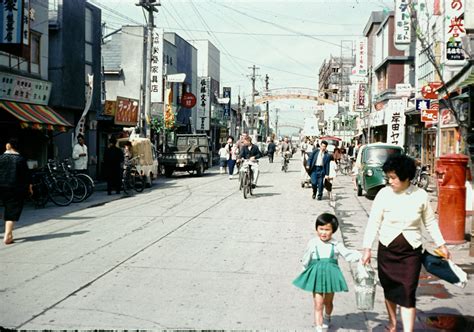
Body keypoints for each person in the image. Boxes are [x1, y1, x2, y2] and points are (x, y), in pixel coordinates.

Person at [361, 154, 450, 332]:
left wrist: (441, 244)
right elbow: (374, 223)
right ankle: (393, 322)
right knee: (390, 288)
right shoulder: (383, 194)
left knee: (408, 291)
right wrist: (367, 248)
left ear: (406, 176)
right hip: (387, 250)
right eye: (388, 177)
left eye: (394, 178)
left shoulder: (421, 196)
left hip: (411, 253)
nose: (390, 181)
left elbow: (430, 223)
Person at [293, 213, 361, 331]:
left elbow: (347, 254)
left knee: (328, 303)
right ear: (316, 229)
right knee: (318, 304)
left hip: (331, 276)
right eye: (321, 229)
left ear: (333, 230)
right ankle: (319, 328)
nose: (323, 232)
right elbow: (306, 258)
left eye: (327, 229)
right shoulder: (312, 243)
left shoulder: (336, 245)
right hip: (316, 276)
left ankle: (327, 316)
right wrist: (304, 272)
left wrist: (361, 256)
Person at [0, 138, 32, 245]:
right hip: (15, 189)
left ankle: (9, 234)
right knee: (11, 212)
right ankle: (8, 235)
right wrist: (30, 188)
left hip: (2, 187)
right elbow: (27, 176)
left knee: (7, 209)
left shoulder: (1, 158)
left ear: (8, 146)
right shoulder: (20, 159)